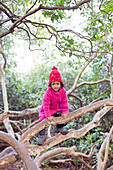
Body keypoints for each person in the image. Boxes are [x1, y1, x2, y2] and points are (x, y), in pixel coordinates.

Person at [37, 66, 69, 145]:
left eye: (57, 84)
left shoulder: (63, 91)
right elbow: (45, 105)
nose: (55, 86)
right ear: (50, 85)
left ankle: (60, 127)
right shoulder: (48, 93)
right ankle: (42, 136)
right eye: (53, 84)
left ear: (60, 84)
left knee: (62, 115)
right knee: (42, 120)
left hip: (57, 109)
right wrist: (48, 115)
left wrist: (65, 111)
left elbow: (65, 102)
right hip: (47, 110)